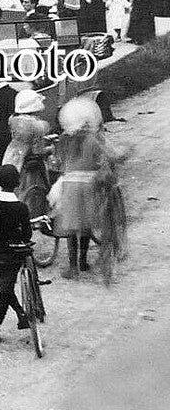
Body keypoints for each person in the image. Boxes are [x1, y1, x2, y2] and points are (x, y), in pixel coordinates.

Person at [49, 96, 126, 279]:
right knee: (84, 226)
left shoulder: (65, 140)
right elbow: (106, 158)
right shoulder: (93, 140)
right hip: (88, 185)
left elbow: (58, 162)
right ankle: (83, 262)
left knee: (70, 226)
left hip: (70, 185)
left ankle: (72, 266)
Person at [0, 165, 33, 344]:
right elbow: (27, 235)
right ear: (17, 184)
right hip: (13, 255)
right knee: (6, 288)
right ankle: (6, 321)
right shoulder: (21, 208)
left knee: (4, 289)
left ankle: (1, 324)